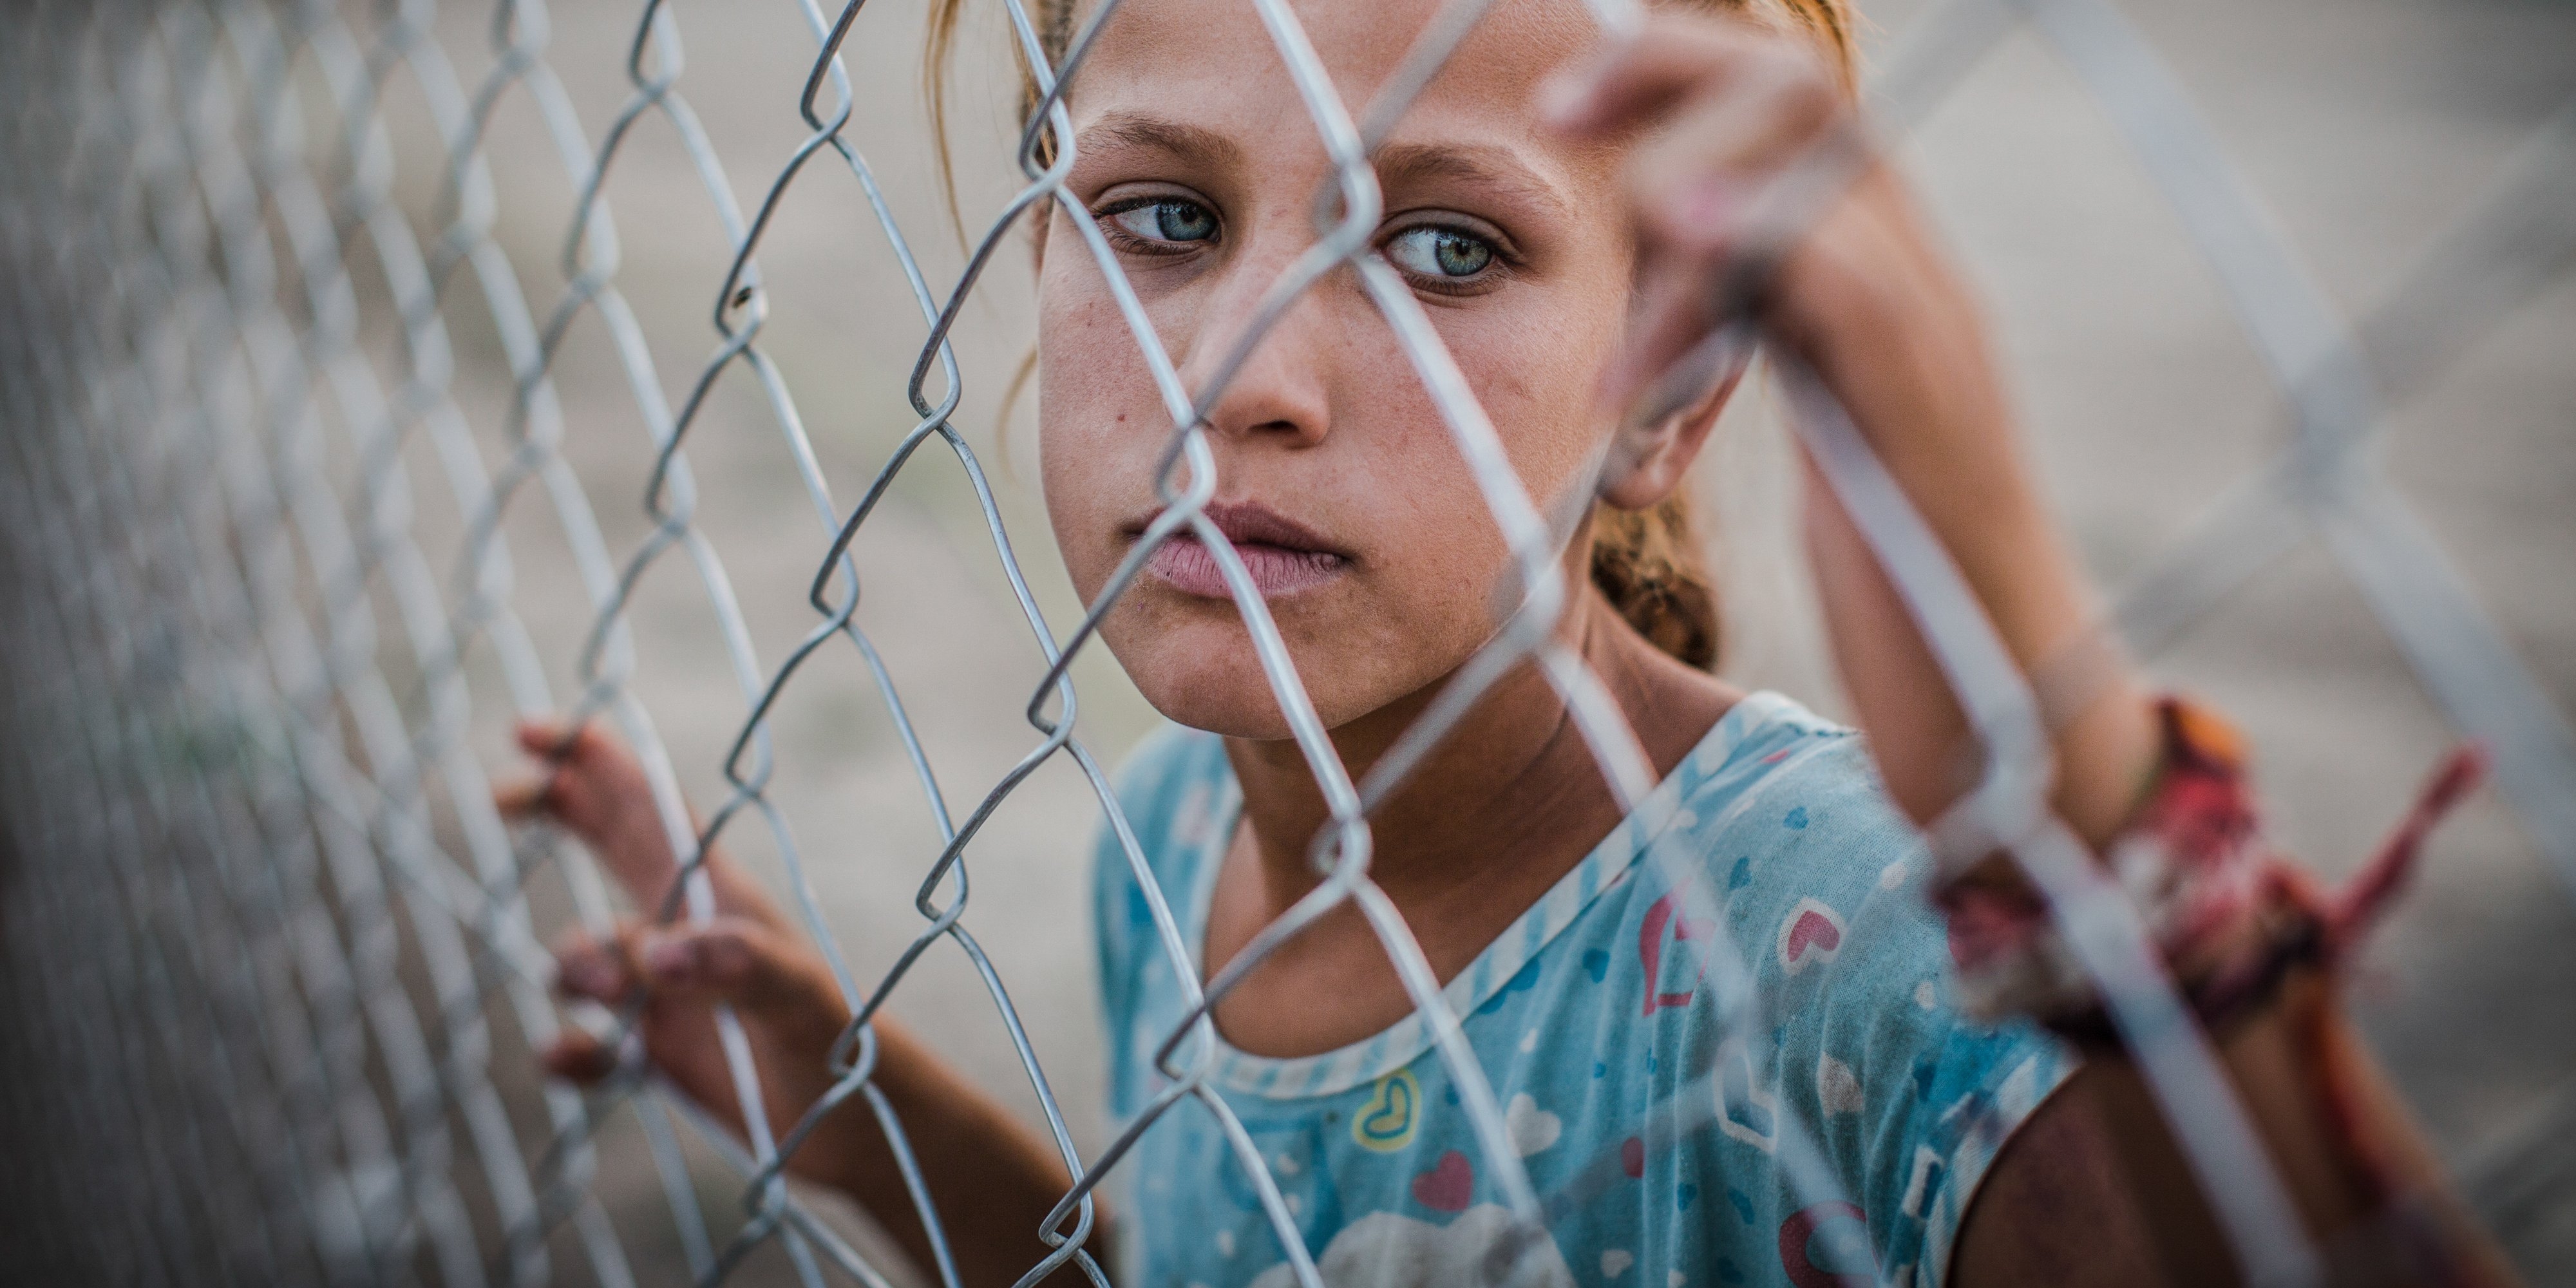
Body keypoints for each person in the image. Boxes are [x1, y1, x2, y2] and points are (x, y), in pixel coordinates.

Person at [498, 0, 2520, 1283]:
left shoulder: (1867, 959)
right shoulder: (1161, 851)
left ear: (1671, 391)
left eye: (1447, 246)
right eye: (1162, 215)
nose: (1237, 374)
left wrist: (2076, 823)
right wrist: (868, 1129)